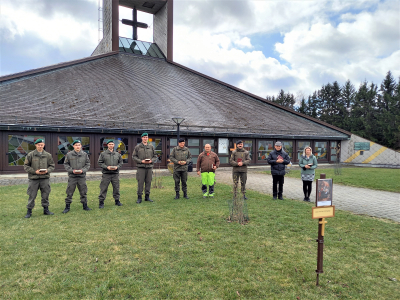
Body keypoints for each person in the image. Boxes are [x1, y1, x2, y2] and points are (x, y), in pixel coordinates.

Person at [23, 139, 55, 218]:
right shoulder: (30, 155)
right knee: (32, 195)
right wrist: (35, 172)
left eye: (42, 144)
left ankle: (46, 210)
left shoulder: (48, 155)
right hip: (34, 179)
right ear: (36, 145)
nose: (40, 146)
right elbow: (26, 166)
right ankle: (29, 211)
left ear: (44, 145)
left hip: (45, 178)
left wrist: (47, 170)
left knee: (45, 194)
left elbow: (52, 165)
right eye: (39, 145)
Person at [62, 140, 91, 213]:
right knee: (69, 192)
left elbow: (88, 164)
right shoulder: (69, 154)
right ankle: (67, 207)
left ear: (81, 146)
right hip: (72, 176)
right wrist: (71, 170)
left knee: (83, 191)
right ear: (73, 146)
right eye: (76, 145)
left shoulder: (84, 154)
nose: (78, 146)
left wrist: (83, 170)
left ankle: (85, 206)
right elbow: (66, 164)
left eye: (79, 145)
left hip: (81, 176)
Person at [132, 133, 158, 203]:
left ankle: (147, 197)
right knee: (140, 182)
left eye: (146, 137)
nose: (145, 138)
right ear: (141, 138)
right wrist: (141, 161)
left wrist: (151, 160)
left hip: (149, 167)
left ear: (148, 138)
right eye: (144, 137)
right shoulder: (138, 147)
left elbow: (155, 156)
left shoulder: (151, 147)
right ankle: (139, 197)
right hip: (141, 168)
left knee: (148, 182)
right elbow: (134, 156)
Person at [97, 139, 123, 208]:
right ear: (107, 145)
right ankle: (101, 202)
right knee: (103, 188)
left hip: (115, 174)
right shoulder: (103, 154)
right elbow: (100, 162)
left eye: (112, 144)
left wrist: (117, 167)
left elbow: (121, 163)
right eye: (109, 144)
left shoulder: (117, 154)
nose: (111, 145)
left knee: (116, 188)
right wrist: (106, 167)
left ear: (114, 145)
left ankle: (117, 201)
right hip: (106, 174)